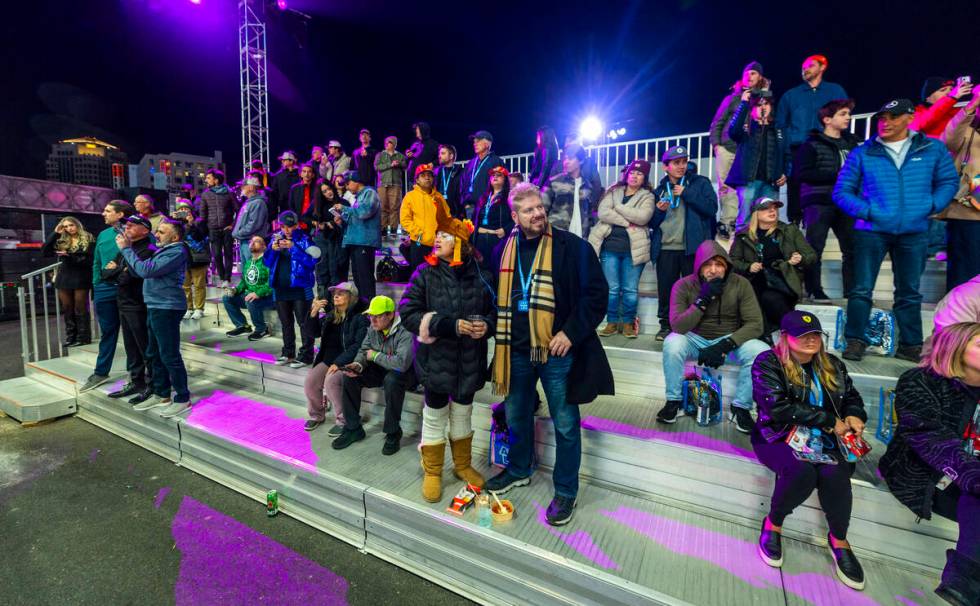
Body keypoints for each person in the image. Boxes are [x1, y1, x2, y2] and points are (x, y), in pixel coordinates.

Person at [483, 183, 613, 526]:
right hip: (516, 351)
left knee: (566, 424)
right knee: (517, 416)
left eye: (539, 207)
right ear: (514, 216)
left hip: (557, 353)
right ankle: (519, 469)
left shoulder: (573, 247)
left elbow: (597, 295)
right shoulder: (502, 251)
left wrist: (570, 332)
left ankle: (566, 490)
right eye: (528, 210)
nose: (538, 213)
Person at [834, 99, 959, 362]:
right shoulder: (863, 151)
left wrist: (932, 204)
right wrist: (868, 211)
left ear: (909, 117)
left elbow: (949, 181)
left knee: (909, 291)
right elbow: (842, 191)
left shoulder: (932, 148)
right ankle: (855, 340)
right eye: (882, 118)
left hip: (914, 230)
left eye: (892, 117)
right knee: (861, 289)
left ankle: (910, 345)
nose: (885, 122)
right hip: (871, 230)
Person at [751, 311, 868, 590]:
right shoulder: (768, 362)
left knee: (836, 475)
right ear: (785, 337)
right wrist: (829, 421)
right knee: (801, 471)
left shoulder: (832, 364)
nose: (811, 340)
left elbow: (851, 397)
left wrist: (854, 415)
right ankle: (774, 524)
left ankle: (839, 539)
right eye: (802, 335)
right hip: (777, 436)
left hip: (825, 440)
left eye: (815, 334)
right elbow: (777, 407)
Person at [879, 322, 980, 605]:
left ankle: (963, 585)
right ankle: (963, 583)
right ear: (956, 349)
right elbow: (929, 438)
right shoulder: (919, 380)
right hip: (926, 477)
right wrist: (974, 475)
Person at [400, 226, 496, 502]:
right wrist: (446, 325)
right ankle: (433, 470)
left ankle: (462, 465)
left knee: (463, 412)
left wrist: (486, 326)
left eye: (445, 235)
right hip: (436, 361)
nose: (437, 239)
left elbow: (495, 310)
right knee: (435, 414)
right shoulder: (424, 273)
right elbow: (407, 312)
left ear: (462, 243)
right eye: (437, 235)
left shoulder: (481, 274)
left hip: (469, 360)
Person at [657, 240, 768, 433]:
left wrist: (725, 345)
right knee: (672, 342)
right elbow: (678, 325)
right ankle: (673, 401)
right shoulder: (683, 285)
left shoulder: (741, 284)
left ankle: (740, 407)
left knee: (761, 351)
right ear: (699, 267)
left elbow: (755, 324)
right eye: (707, 265)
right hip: (694, 338)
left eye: (719, 264)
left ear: (727, 266)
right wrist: (702, 300)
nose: (713, 270)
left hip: (729, 339)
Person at [120, 219, 192, 418]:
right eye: (157, 231)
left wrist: (127, 250)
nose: (156, 235)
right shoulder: (165, 250)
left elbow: (146, 270)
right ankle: (162, 393)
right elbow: (141, 269)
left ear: (175, 236)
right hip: (155, 305)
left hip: (167, 307)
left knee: (169, 354)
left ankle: (183, 397)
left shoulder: (177, 251)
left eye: (161, 232)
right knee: (153, 352)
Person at [650, 146, 720, 341]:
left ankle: (694, 325)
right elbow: (653, 224)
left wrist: (687, 193)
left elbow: (711, 208)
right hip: (666, 248)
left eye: (683, 161)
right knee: (666, 290)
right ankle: (665, 325)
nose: (681, 166)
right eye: (676, 163)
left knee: (694, 289)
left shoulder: (700, 183)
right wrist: (658, 211)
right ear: (666, 167)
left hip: (693, 248)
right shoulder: (659, 190)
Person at [331, 295, 415, 455]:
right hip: (381, 368)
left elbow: (402, 363)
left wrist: (375, 356)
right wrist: (357, 365)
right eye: (371, 315)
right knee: (349, 376)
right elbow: (364, 351)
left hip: (405, 374)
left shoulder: (405, 331)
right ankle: (353, 427)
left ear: (390, 315)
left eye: (377, 316)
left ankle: (393, 432)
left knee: (392, 380)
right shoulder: (373, 328)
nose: (372, 320)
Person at [794, 99, 860, 301]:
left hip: (846, 202)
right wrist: (839, 175)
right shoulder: (811, 144)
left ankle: (852, 291)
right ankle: (814, 289)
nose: (848, 117)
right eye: (842, 113)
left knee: (851, 248)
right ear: (827, 119)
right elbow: (801, 174)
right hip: (819, 202)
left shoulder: (852, 144)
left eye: (848, 113)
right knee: (815, 248)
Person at [729, 197, 816, 341]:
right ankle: (768, 336)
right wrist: (748, 266)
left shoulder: (789, 230)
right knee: (752, 295)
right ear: (756, 213)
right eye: (766, 208)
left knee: (769, 298)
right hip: (755, 281)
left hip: (783, 281)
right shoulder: (743, 236)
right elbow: (732, 261)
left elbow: (811, 255)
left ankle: (795, 334)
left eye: (775, 208)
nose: (772, 210)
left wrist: (800, 258)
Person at [776, 55, 848, 225]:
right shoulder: (791, 95)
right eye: (803, 67)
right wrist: (786, 146)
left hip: (827, 145)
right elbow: (780, 123)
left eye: (810, 65)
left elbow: (844, 115)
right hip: (798, 146)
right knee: (795, 183)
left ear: (822, 67)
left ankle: (834, 218)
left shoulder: (835, 90)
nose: (805, 69)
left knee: (829, 179)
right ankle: (794, 222)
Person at [589, 159, 656, 338]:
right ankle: (611, 322)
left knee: (630, 289)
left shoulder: (648, 196)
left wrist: (617, 207)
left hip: (633, 250)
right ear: (627, 174)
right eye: (633, 172)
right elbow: (603, 212)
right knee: (611, 288)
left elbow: (643, 217)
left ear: (644, 177)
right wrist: (627, 222)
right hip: (609, 247)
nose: (635, 176)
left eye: (640, 173)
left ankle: (627, 323)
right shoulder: (614, 191)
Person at [710, 61, 771, 239]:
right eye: (747, 73)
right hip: (727, 147)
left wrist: (765, 91)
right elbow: (718, 121)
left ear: (760, 76)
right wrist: (716, 144)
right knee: (725, 186)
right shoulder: (732, 98)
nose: (749, 76)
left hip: (748, 149)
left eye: (753, 73)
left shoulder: (763, 98)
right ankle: (727, 221)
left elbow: (769, 117)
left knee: (745, 187)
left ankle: (745, 223)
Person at [79, 200, 134, 393]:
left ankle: (134, 374)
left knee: (132, 334)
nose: (103, 213)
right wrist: (97, 283)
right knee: (108, 332)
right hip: (104, 289)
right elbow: (97, 262)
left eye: (108, 211)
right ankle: (101, 372)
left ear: (120, 214)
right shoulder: (103, 234)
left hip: (127, 288)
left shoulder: (134, 231)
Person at [101, 215, 155, 404]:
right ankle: (136, 381)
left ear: (145, 230)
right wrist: (119, 271)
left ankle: (153, 384)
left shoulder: (148, 250)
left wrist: (119, 271)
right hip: (124, 302)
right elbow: (105, 274)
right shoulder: (126, 249)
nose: (128, 226)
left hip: (139, 304)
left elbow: (130, 277)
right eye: (127, 224)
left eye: (134, 224)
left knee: (145, 346)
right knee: (131, 347)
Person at [303, 282, 368, 434]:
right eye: (334, 293)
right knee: (310, 382)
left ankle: (344, 419)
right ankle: (317, 415)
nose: (336, 296)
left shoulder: (360, 318)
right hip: (327, 359)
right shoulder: (331, 316)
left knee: (331, 381)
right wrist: (313, 312)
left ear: (352, 297)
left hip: (348, 360)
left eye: (341, 293)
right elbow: (313, 333)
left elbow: (358, 345)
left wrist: (339, 363)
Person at [726, 89, 789, 231]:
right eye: (759, 104)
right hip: (749, 181)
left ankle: (766, 252)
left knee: (769, 221)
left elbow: (787, 154)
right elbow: (732, 132)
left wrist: (785, 173)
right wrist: (743, 104)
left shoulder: (778, 129)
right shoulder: (746, 128)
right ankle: (740, 251)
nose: (763, 107)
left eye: (766, 103)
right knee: (745, 219)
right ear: (753, 108)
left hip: (770, 183)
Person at [267, 210, 320, 369]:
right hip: (280, 288)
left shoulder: (304, 239)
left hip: (300, 287)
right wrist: (272, 250)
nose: (286, 230)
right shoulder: (275, 238)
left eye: (290, 226)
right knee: (286, 323)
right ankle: (288, 353)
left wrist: (293, 248)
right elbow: (267, 262)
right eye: (283, 226)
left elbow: (312, 262)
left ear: (296, 225)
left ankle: (306, 355)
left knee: (304, 323)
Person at [941, 86, 980, 292]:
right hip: (967, 212)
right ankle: (957, 317)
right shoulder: (967, 128)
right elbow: (947, 141)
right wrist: (970, 107)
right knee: (964, 270)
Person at [41, 216, 95, 348]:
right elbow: (45, 252)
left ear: (77, 225)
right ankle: (71, 337)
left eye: (71, 225)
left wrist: (69, 256)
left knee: (80, 307)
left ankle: (83, 337)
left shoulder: (89, 238)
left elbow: (88, 259)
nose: (69, 228)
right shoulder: (62, 239)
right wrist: (55, 233)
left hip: (81, 275)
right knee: (67, 307)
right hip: (64, 276)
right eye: (65, 226)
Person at [335, 170, 381, 301]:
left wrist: (344, 209)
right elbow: (356, 217)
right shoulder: (359, 197)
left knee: (365, 277)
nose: (347, 187)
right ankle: (364, 305)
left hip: (364, 242)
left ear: (356, 181)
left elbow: (364, 212)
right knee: (358, 277)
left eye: (348, 183)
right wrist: (341, 218)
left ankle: (370, 307)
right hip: (356, 241)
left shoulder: (370, 193)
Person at [400, 164, 456, 270]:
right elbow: (405, 220)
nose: (427, 177)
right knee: (418, 276)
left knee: (436, 276)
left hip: (437, 245)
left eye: (430, 175)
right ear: (417, 180)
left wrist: (443, 236)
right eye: (423, 175)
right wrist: (419, 234)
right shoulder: (410, 196)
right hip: (419, 243)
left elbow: (447, 218)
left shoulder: (439, 197)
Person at [222, 235, 274, 341]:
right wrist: (235, 290)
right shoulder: (249, 262)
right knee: (227, 298)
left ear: (264, 247)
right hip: (251, 296)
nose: (253, 242)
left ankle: (262, 329)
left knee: (251, 300)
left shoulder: (268, 261)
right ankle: (242, 326)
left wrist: (258, 293)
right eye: (251, 241)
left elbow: (272, 284)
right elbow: (244, 282)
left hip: (268, 297)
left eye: (257, 241)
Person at [542, 144, 597, 237]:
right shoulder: (554, 182)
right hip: (557, 235)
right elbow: (542, 209)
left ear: (581, 160)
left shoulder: (588, 186)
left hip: (581, 237)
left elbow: (589, 214)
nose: (566, 162)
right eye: (565, 159)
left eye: (570, 158)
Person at [471, 165, 514, 268]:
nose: (495, 177)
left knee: (495, 270)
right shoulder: (483, 198)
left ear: (505, 180)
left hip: (497, 240)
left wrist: (505, 230)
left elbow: (516, 219)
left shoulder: (510, 197)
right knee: (479, 270)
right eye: (493, 175)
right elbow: (474, 218)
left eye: (499, 175)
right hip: (480, 239)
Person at [199, 169, 236, 288]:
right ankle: (221, 277)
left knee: (229, 254)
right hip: (213, 229)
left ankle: (227, 278)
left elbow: (238, 209)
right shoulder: (205, 194)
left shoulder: (229, 193)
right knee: (217, 255)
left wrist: (233, 225)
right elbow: (202, 214)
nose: (206, 180)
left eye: (208, 178)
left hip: (227, 229)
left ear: (216, 180)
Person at [313, 180, 349, 297]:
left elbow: (350, 222)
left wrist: (338, 223)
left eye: (329, 189)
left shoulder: (343, 203)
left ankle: (340, 305)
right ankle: (325, 304)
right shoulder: (319, 204)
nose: (328, 192)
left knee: (339, 273)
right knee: (323, 272)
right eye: (324, 191)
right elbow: (304, 217)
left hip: (340, 241)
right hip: (323, 240)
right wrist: (319, 224)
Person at [173, 201, 209, 320]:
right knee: (185, 285)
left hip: (198, 257)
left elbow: (202, 237)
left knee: (199, 285)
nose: (183, 211)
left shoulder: (199, 221)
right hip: (183, 258)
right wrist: (172, 221)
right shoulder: (176, 224)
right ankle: (189, 308)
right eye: (181, 209)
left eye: (185, 208)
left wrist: (191, 223)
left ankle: (199, 308)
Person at [460, 130, 504, 219]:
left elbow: (501, 185)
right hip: (470, 208)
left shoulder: (496, 161)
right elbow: (462, 183)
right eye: (474, 142)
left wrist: (492, 203)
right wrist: (465, 203)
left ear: (487, 144)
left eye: (478, 141)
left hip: (487, 208)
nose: (475, 144)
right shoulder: (471, 163)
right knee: (470, 232)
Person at [231, 175, 270, 267]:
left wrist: (238, 233)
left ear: (251, 187)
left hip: (252, 242)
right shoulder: (249, 202)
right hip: (245, 241)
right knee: (247, 270)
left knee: (253, 270)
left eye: (244, 185)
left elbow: (254, 224)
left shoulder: (258, 203)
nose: (241, 188)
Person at [374, 136, 407, 235]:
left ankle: (393, 229)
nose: (388, 144)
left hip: (396, 184)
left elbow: (405, 165)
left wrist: (399, 164)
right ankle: (383, 229)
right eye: (387, 142)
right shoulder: (380, 155)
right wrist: (390, 164)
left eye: (391, 142)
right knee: (383, 207)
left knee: (395, 207)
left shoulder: (400, 155)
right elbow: (376, 167)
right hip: (383, 184)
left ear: (395, 144)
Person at [287, 163, 323, 229]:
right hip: (298, 223)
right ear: (300, 174)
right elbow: (291, 207)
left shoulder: (318, 188)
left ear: (313, 175)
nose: (306, 174)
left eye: (309, 172)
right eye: (304, 171)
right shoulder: (294, 188)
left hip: (314, 223)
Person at [434, 144, 463, 218]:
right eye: (439, 153)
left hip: (455, 213)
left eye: (443, 153)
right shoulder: (436, 172)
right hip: (439, 213)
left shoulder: (461, 172)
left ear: (451, 156)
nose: (439, 156)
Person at [270, 151, 300, 221]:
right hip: (284, 207)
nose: (282, 162)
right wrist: (274, 214)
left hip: (299, 206)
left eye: (284, 160)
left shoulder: (301, 173)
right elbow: (274, 193)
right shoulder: (278, 175)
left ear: (291, 161)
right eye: (282, 160)